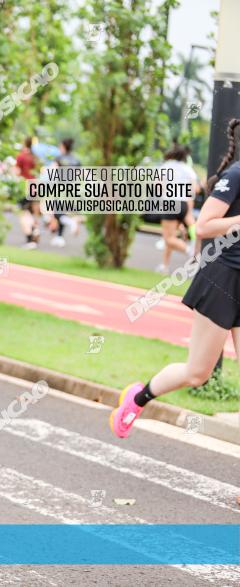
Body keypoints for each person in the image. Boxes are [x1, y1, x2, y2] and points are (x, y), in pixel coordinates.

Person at [111, 119, 240, 439]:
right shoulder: (236, 175)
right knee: (197, 373)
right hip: (223, 281)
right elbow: (205, 226)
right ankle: (137, 399)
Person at [155, 144, 199, 274]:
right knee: (172, 236)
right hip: (183, 204)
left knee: (168, 238)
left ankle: (192, 252)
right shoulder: (188, 169)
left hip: (170, 203)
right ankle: (164, 266)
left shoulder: (166, 166)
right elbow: (194, 189)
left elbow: (158, 185)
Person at [44, 138, 81, 248]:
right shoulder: (76, 160)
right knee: (61, 212)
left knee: (57, 213)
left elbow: (51, 171)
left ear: (63, 146)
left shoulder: (59, 158)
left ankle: (70, 223)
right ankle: (59, 237)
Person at [14, 137, 40, 249]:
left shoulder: (21, 156)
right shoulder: (35, 157)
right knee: (31, 212)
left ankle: (30, 237)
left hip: (25, 186)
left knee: (23, 212)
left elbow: (17, 172)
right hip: (35, 185)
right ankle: (35, 230)